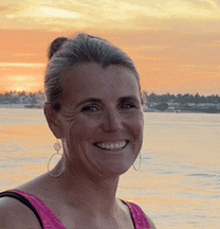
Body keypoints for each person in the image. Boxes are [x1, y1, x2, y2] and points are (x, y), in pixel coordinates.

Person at [0, 33, 156, 229]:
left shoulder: (141, 224)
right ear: (53, 120)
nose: (114, 125)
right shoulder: (14, 218)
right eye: (91, 108)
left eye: (127, 105)